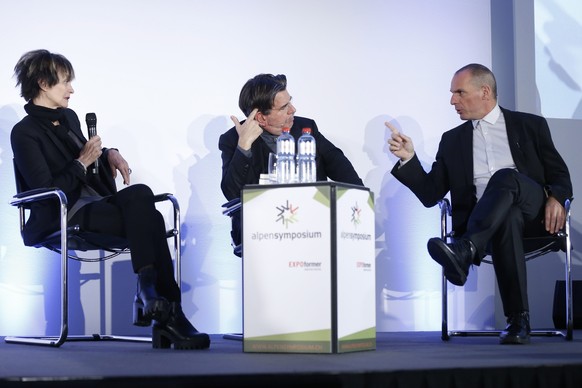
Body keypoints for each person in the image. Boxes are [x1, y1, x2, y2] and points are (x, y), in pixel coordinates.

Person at [11, 49, 210, 350]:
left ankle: (149, 291)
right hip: (65, 213)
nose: (71, 89)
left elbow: (86, 154)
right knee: (152, 218)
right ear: (42, 83)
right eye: (65, 82)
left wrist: (109, 153)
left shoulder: (68, 117)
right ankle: (167, 314)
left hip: (95, 205)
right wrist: (81, 162)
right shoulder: (23, 133)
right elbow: (45, 190)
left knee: (142, 197)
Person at [387, 63, 572, 345]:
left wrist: (557, 197)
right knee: (507, 216)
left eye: (459, 92)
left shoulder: (530, 125)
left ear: (485, 92)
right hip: (492, 223)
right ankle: (518, 319)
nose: (452, 100)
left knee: (507, 177)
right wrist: (408, 159)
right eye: (452, 94)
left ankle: (466, 250)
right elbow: (430, 194)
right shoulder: (452, 141)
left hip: (535, 214)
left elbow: (559, 173)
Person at [219, 73, 364, 250]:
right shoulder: (232, 139)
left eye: (290, 102)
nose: (293, 109)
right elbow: (232, 193)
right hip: (262, 237)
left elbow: (338, 164)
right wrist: (244, 146)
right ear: (261, 117)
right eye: (284, 107)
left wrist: (360, 202)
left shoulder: (306, 129)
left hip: (313, 229)